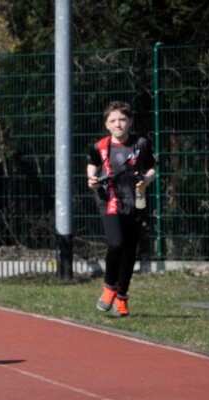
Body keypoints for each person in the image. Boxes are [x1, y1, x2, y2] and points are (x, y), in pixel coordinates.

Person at [87, 101, 157, 317]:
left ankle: (122, 297)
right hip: (109, 201)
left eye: (122, 119)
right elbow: (92, 165)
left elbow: (151, 167)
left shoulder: (142, 143)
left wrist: (145, 180)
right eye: (113, 120)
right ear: (107, 124)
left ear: (130, 121)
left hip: (135, 201)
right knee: (116, 243)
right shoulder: (100, 146)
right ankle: (109, 287)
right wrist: (92, 179)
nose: (118, 123)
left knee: (129, 251)